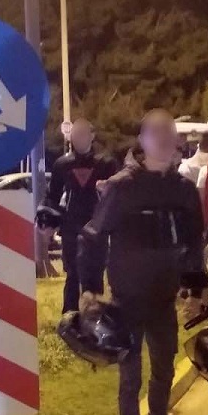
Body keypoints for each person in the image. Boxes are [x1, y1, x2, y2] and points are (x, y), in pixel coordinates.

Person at [79, 109, 207, 415]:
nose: (166, 140)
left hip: (165, 299)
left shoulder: (183, 190)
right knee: (130, 379)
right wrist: (89, 287)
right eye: (157, 133)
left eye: (171, 134)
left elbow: (194, 240)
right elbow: (92, 236)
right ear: (143, 139)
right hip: (127, 301)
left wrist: (196, 288)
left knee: (164, 371)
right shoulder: (122, 187)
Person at [44, 118, 121, 314]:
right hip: (71, 225)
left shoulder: (106, 163)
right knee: (72, 273)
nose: (79, 138)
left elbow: (119, 193)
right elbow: (53, 195)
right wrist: (49, 223)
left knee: (95, 272)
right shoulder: (63, 164)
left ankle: (95, 317)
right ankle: (69, 316)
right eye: (75, 134)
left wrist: (107, 191)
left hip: (97, 226)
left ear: (92, 135)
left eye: (83, 134)